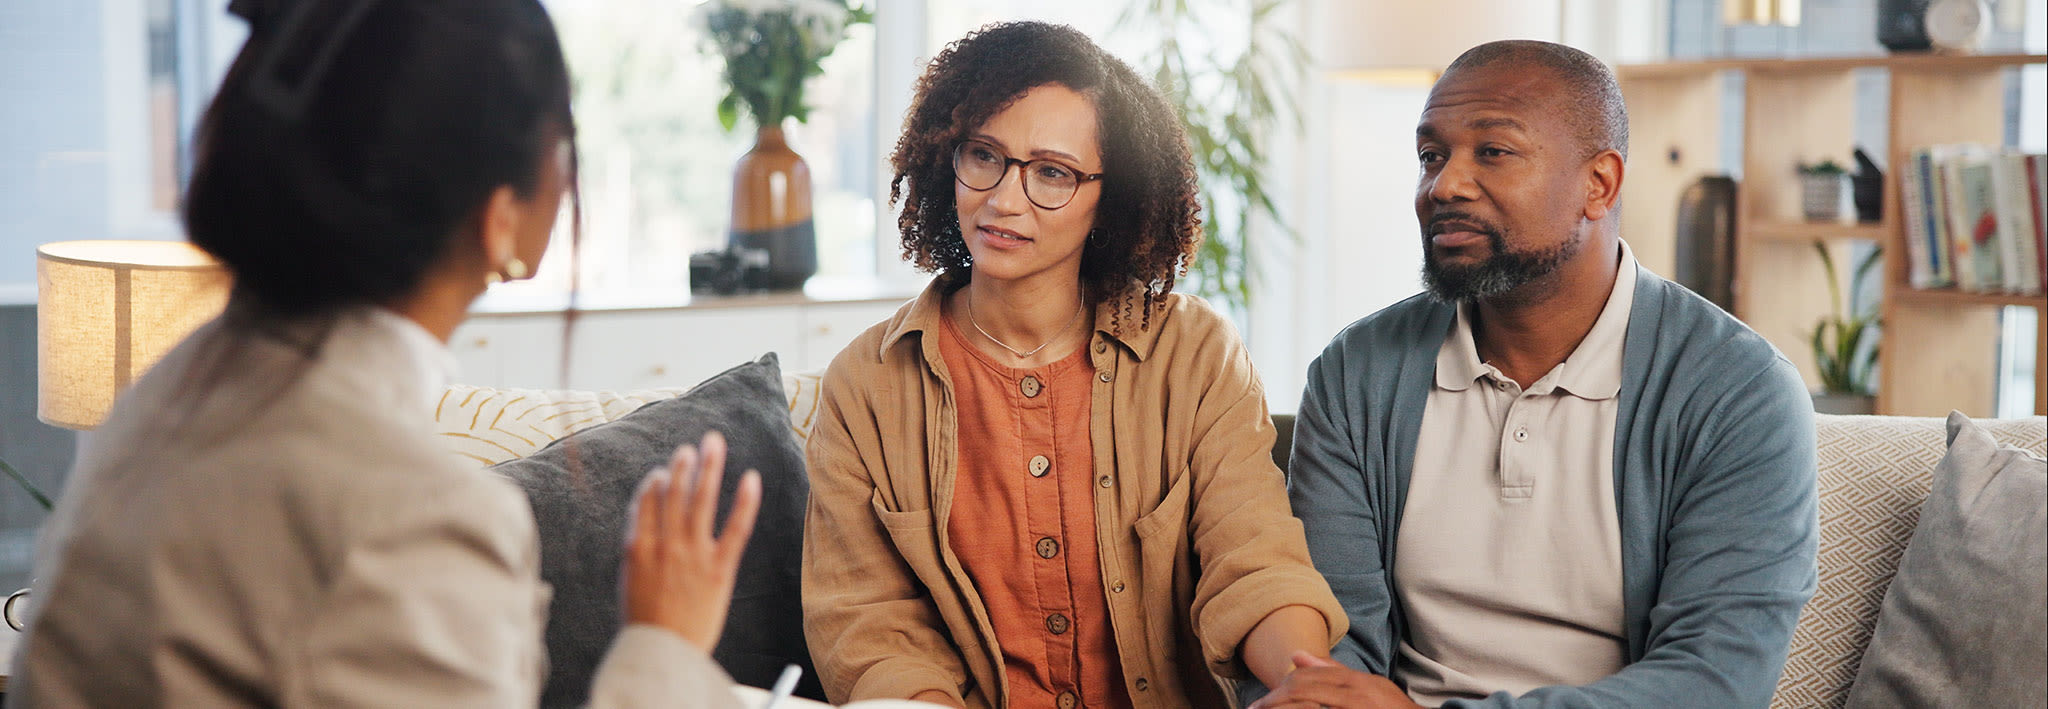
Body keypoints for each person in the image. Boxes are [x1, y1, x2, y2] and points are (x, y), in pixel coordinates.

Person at [8, 1, 760, 706]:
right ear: (501, 218)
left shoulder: (165, 393)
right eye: (562, 139)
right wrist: (664, 645)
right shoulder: (415, 517)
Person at [1249, 40, 1817, 709]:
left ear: (1598, 184)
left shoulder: (1738, 391)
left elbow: (1714, 681)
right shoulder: (1357, 373)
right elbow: (1334, 639)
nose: (1445, 186)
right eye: (1432, 156)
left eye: (1492, 151)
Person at [802, 21, 1346, 709]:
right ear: (949, 158)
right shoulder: (866, 384)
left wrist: (1305, 679)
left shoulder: (1196, 354)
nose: (1003, 199)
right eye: (985, 156)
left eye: (1052, 173)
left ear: (1109, 198)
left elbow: (1256, 561)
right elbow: (869, 630)